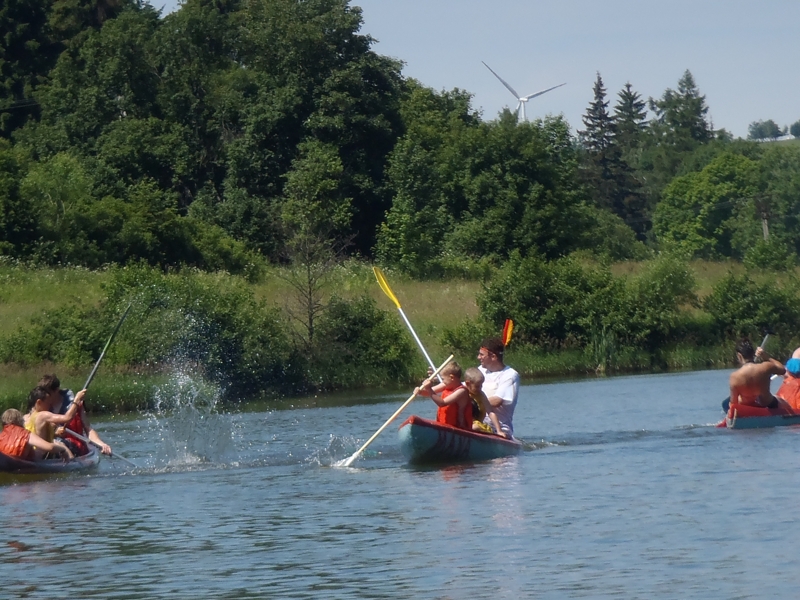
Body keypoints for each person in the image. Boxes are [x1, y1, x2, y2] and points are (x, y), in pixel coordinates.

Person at [37, 374, 112, 456]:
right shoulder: (42, 407)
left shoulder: (76, 406)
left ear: (56, 390)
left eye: (47, 393)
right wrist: (54, 433)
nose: (44, 396)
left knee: (57, 443)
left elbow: (88, 429)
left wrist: (101, 444)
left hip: (75, 446)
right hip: (50, 446)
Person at [729, 338, 791, 411]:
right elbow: (782, 370)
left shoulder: (734, 376)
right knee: (783, 402)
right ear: (753, 353)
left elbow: (733, 403)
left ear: (739, 356)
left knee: (728, 403)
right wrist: (765, 356)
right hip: (768, 405)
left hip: (747, 407)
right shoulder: (766, 367)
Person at [477, 337, 520, 438]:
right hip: (478, 423)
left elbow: (497, 401)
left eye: (482, 355)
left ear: (493, 357)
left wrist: (473, 402)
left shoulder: (510, 375)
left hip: (499, 428)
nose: (478, 357)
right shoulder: (479, 371)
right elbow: (461, 389)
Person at [24, 386, 83, 458]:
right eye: (48, 403)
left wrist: (55, 434)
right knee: (61, 445)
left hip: (31, 454)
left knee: (57, 442)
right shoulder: (43, 415)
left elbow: (38, 435)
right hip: (42, 456)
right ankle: (72, 464)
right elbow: (67, 418)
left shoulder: (24, 417)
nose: (50, 406)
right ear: (39, 402)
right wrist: (76, 400)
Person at [415, 361, 472, 430]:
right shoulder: (446, 384)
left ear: (452, 377)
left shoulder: (461, 391)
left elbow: (442, 403)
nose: (443, 381)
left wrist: (429, 389)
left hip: (459, 428)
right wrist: (420, 391)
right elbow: (427, 393)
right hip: (446, 426)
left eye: (443, 379)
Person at [2, 409, 72, 461]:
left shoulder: (1, 435)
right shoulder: (26, 434)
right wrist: (62, 449)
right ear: (20, 421)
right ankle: (71, 460)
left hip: (7, 463)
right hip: (24, 465)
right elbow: (50, 447)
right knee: (59, 444)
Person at [463, 367, 506, 438]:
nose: (480, 388)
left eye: (481, 385)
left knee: (475, 427)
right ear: (468, 384)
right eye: (477, 386)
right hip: (465, 424)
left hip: (477, 425)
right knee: (473, 427)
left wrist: (499, 430)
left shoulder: (481, 394)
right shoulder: (462, 392)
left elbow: (490, 412)